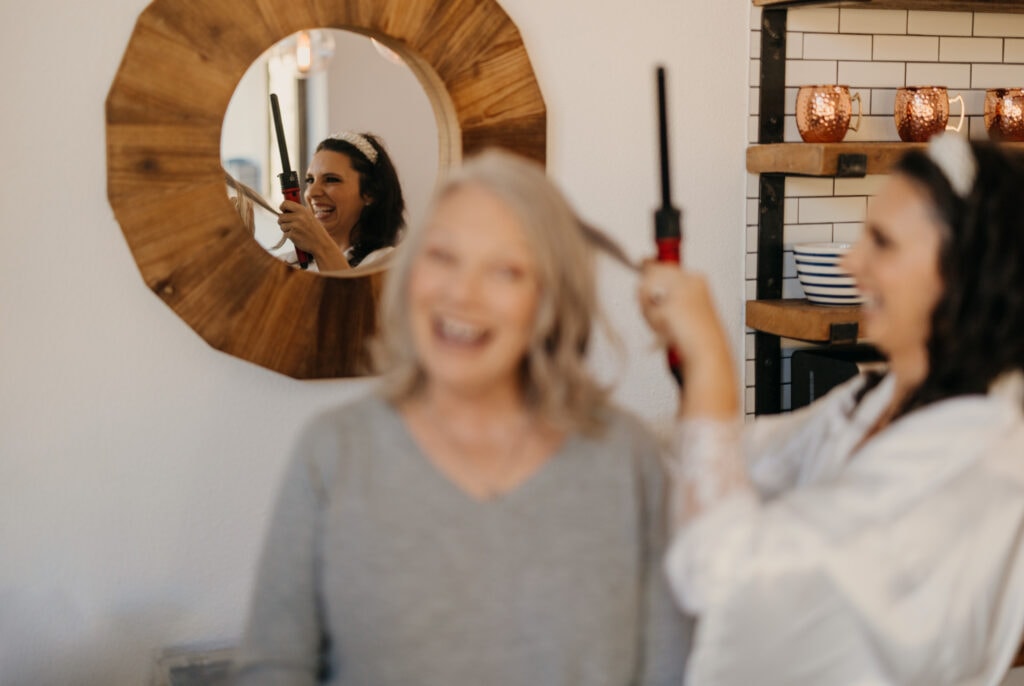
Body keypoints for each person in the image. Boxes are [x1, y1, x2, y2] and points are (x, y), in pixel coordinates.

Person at [233, 149, 691, 685]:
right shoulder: (336, 451)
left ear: (550, 296)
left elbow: (668, 668)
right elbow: (274, 667)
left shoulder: (625, 457)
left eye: (505, 270)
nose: (461, 294)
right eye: (443, 257)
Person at [638, 132, 1024, 686]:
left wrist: (709, 364)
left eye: (882, 243)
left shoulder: (980, 466)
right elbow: (752, 457)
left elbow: (727, 577)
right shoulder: (877, 395)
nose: (851, 261)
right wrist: (592, 429)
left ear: (966, 272)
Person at [278, 131, 405, 271]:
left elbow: (348, 292)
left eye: (331, 179)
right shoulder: (285, 264)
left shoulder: (389, 264)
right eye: (310, 180)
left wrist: (321, 246)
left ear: (370, 192)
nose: (312, 193)